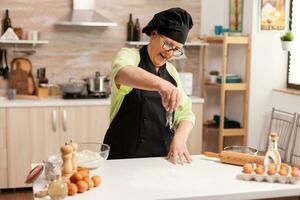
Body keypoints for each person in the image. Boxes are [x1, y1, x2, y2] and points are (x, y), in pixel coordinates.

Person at [104, 7, 195, 164]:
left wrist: (180, 139)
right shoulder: (130, 56)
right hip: (122, 157)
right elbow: (122, 72)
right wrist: (161, 85)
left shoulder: (172, 72)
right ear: (153, 34)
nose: (170, 53)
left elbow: (186, 114)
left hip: (160, 158)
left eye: (176, 49)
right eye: (168, 44)